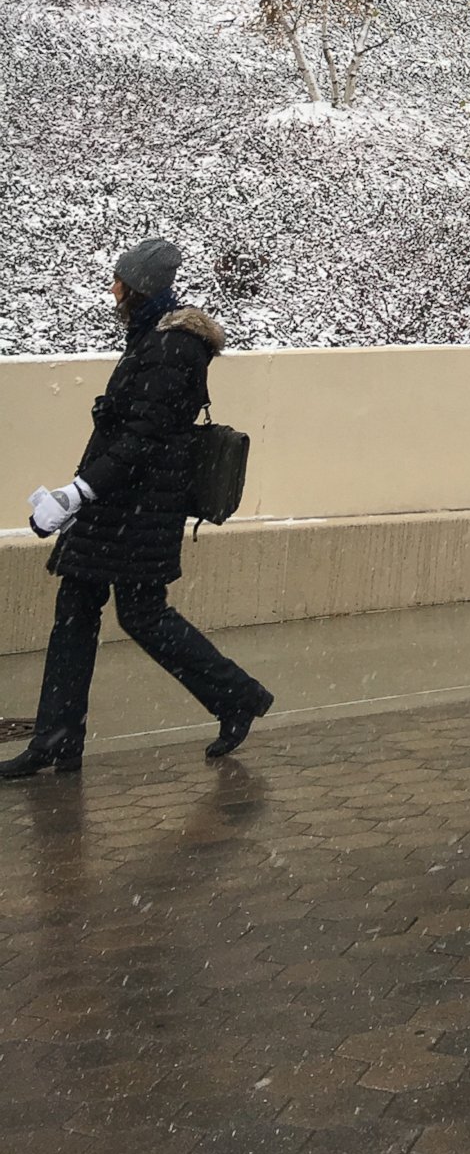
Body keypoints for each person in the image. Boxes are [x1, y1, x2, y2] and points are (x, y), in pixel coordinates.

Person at [3, 238, 273, 781]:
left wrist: (77, 494)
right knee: (78, 611)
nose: (114, 290)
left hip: (138, 509)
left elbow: (141, 438)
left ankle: (236, 697)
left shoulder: (171, 348)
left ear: (140, 288)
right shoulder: (153, 338)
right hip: (121, 505)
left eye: (120, 282)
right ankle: (58, 736)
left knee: (138, 614)